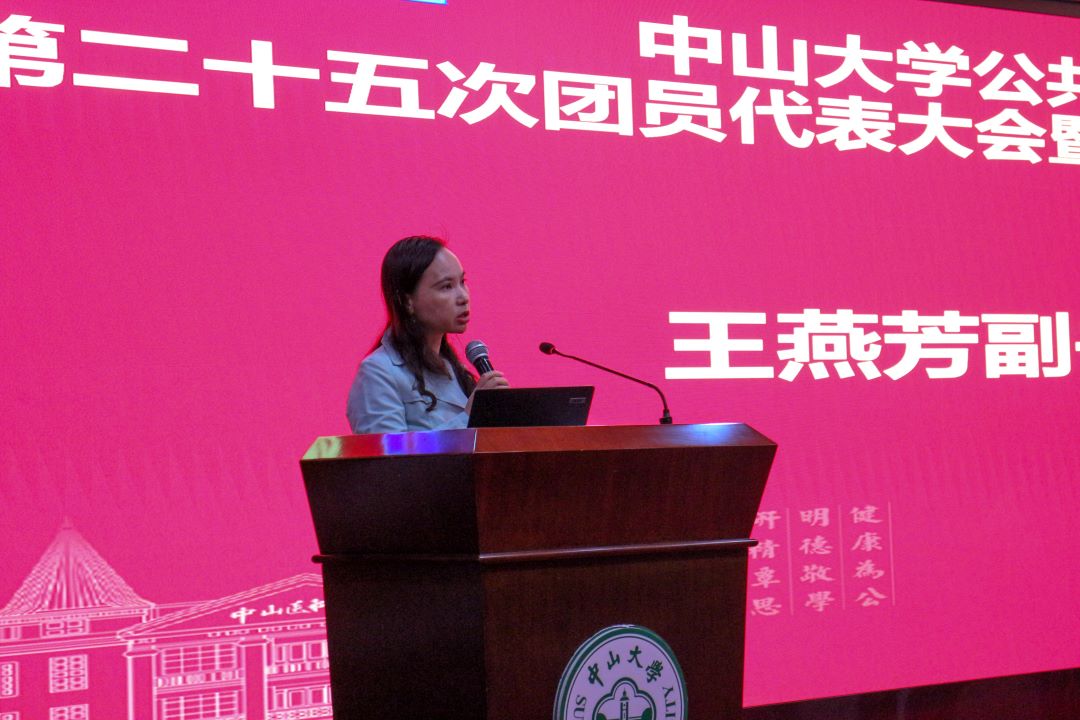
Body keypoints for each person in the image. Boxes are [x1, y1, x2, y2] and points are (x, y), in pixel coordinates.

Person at [347, 236, 509, 433]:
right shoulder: (377, 373)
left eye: (462, 282)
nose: (463, 297)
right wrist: (471, 416)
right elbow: (387, 452)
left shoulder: (454, 369)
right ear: (406, 301)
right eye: (446, 286)